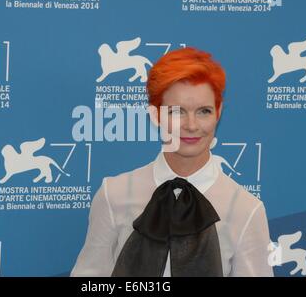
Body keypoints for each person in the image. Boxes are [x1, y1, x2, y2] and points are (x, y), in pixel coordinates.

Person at [71, 47, 274, 277]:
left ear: (218, 113)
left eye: (204, 111)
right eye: (177, 112)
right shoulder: (113, 194)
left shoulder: (245, 209)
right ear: (155, 115)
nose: (191, 125)